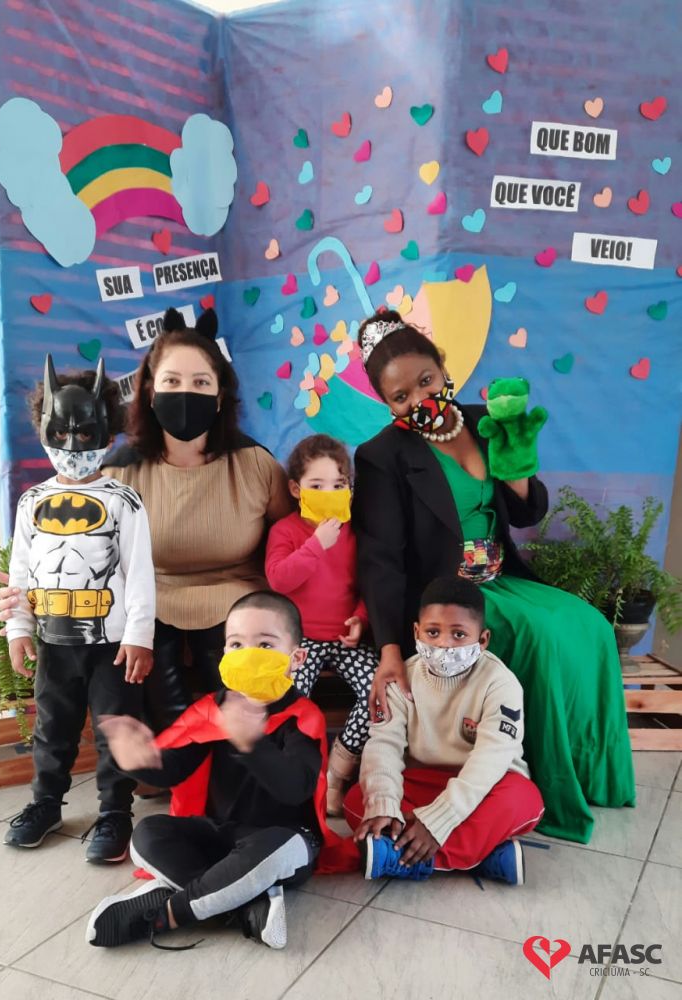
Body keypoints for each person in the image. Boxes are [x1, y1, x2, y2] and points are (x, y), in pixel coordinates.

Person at [351, 309, 635, 844]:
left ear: (443, 369)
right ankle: (546, 785)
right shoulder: (381, 456)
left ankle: (593, 772)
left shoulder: (484, 423)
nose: (419, 399)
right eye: (401, 396)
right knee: (540, 637)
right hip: (447, 594)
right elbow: (380, 558)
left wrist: (518, 468)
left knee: (592, 625)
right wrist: (389, 649)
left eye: (426, 381)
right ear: (386, 403)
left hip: (502, 577)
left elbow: (527, 513)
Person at [85, 590, 357, 952]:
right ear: (224, 652)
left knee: (286, 847)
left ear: (296, 658)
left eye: (265, 644)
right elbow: (173, 771)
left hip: (279, 840)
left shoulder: (303, 717)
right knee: (147, 833)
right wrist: (138, 758)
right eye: (237, 644)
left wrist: (252, 744)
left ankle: (167, 913)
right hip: (219, 837)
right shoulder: (211, 709)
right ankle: (245, 907)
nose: (248, 655)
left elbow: (295, 788)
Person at [88, 307, 290, 731]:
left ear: (219, 396)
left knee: (241, 697)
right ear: (150, 391)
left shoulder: (256, 465)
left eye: (200, 382)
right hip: (151, 601)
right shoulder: (118, 473)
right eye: (172, 381)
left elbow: (291, 538)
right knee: (162, 705)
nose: (185, 393)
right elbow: (92, 556)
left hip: (237, 599)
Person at [3, 355, 155, 862]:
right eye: (62, 432)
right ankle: (45, 803)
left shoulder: (124, 501)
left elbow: (139, 572)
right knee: (52, 727)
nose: (72, 445)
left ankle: (115, 812)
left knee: (116, 726)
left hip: (112, 644)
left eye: (85, 432)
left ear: (107, 431)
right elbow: (21, 573)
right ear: (44, 429)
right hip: (54, 640)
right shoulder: (31, 503)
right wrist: (18, 630)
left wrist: (139, 636)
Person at [347, 576, 544, 884]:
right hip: (425, 781)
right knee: (360, 798)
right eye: (433, 632)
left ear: (483, 640)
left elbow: (490, 761)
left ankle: (408, 857)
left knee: (524, 799)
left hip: (485, 787)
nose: (443, 644)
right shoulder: (402, 678)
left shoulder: (501, 684)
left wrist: (437, 822)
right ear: (417, 632)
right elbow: (384, 744)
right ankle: (483, 854)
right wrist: (384, 801)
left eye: (459, 634)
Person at [265, 434, 377, 815]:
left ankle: (338, 771)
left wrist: (360, 618)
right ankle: (302, 776)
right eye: (317, 485)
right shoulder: (285, 531)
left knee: (381, 693)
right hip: (302, 641)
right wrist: (316, 543)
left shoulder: (356, 532)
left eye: (338, 484)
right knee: (290, 699)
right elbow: (279, 579)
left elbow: (368, 584)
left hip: (345, 640)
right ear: (296, 489)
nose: (329, 492)